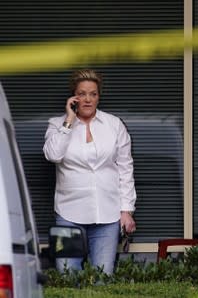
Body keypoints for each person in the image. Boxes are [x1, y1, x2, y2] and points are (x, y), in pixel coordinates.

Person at [43, 69, 137, 274]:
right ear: (74, 97)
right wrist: (68, 121)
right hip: (68, 212)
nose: (88, 99)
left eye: (93, 94)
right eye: (82, 93)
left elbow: (125, 167)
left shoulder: (114, 124)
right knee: (67, 275)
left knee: (103, 277)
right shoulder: (57, 124)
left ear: (98, 96)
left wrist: (126, 210)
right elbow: (53, 155)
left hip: (108, 214)